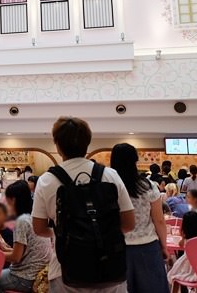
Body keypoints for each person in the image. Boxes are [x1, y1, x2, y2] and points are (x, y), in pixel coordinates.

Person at [31, 117, 134, 293]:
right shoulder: (110, 175)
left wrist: (64, 232)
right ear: (87, 143)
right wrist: (101, 232)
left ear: (57, 145)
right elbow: (129, 224)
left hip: (65, 270)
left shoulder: (47, 180)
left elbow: (39, 228)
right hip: (109, 267)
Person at [110, 143, 168, 293]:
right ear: (135, 160)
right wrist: (164, 246)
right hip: (147, 246)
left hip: (115, 248)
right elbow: (159, 220)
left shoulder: (108, 186)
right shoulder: (147, 185)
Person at [0, 181, 51, 293]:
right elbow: (28, 250)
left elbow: (16, 257)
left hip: (26, 277)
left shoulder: (21, 221)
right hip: (40, 272)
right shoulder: (35, 216)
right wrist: (6, 249)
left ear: (13, 200)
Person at [167, 212, 197, 292]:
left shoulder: (187, 240)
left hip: (188, 266)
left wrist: (182, 235)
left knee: (174, 275)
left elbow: (180, 244)